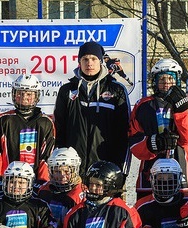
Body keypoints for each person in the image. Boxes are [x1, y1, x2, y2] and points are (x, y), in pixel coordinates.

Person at [129, 59, 188, 198]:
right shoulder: (143, 105)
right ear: (155, 81)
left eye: (171, 78)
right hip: (149, 177)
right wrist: (153, 143)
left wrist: (181, 110)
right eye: (162, 78)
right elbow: (134, 142)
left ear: (178, 79)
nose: (166, 82)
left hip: (183, 175)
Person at [53, 41, 131, 174]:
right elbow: (59, 130)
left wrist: (120, 172)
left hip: (106, 171)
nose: (89, 63)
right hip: (72, 171)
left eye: (94, 59)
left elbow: (124, 133)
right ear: (79, 62)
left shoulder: (116, 90)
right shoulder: (67, 90)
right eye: (85, 59)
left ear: (100, 61)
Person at [0, 74, 55, 195]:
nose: (24, 97)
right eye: (20, 93)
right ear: (14, 95)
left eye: (29, 94)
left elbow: (47, 155)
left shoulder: (45, 122)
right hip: (8, 181)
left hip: (34, 181)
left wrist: (42, 180)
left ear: (36, 96)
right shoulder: (3, 120)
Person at [36, 147, 86, 228]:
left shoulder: (81, 194)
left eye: (66, 171)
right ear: (51, 171)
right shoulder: (44, 190)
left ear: (74, 171)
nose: (62, 176)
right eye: (57, 171)